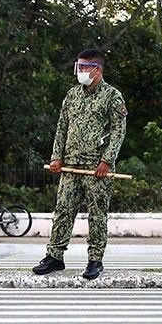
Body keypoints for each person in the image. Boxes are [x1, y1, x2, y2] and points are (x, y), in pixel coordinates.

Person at [33, 48, 127, 280]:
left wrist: (107, 160)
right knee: (63, 209)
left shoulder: (112, 96)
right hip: (71, 164)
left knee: (97, 213)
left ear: (97, 69)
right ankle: (55, 256)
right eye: (79, 66)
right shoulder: (72, 95)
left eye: (85, 67)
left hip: (97, 167)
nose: (81, 71)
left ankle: (95, 260)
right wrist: (56, 156)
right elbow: (62, 127)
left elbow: (118, 130)